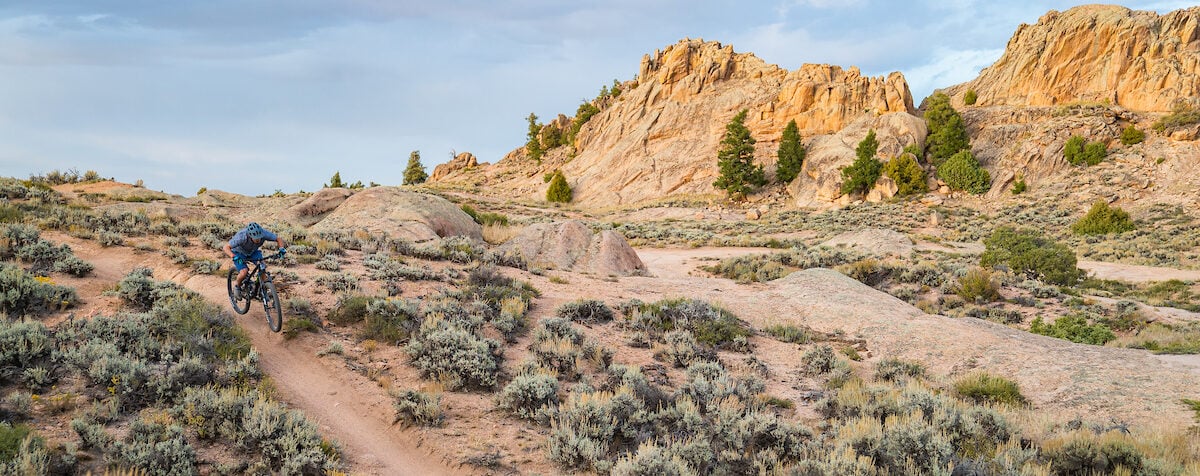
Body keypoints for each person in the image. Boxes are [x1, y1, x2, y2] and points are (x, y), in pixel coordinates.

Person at [224, 222, 286, 300]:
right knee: (244, 272)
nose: (258, 239)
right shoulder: (242, 236)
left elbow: (278, 238)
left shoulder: (263, 233)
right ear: (249, 235)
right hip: (239, 253)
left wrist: (281, 249)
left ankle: (263, 290)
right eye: (255, 238)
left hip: (253, 252)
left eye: (259, 237)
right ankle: (237, 287)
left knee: (262, 268)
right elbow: (226, 247)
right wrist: (234, 256)